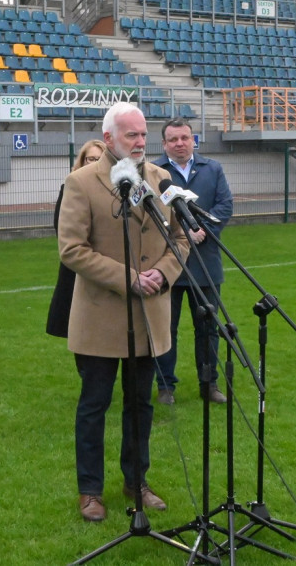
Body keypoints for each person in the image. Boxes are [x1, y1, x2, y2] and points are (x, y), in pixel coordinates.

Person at [58, 102, 188, 522]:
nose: (140, 141)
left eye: (143, 133)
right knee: (94, 405)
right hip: (101, 315)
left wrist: (161, 275)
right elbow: (72, 250)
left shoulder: (160, 178)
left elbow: (181, 241)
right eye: (131, 134)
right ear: (109, 137)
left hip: (149, 314)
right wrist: (128, 276)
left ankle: (137, 481)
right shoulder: (81, 182)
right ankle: (90, 491)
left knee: (141, 405)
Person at [153, 118, 234, 405]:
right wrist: (184, 233)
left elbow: (224, 205)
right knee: (166, 328)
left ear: (193, 140)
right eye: (173, 139)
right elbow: (148, 213)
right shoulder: (154, 172)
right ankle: (165, 387)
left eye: (184, 138)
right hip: (168, 264)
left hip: (206, 262)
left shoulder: (212, 169)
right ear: (164, 144)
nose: (179, 143)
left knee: (208, 329)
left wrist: (204, 231)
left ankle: (209, 384)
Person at [46, 139, 106, 338]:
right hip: (78, 267)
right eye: (91, 158)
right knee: (81, 331)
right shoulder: (70, 188)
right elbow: (62, 229)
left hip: (108, 265)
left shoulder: (116, 190)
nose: (95, 163)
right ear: (82, 161)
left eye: (100, 158)